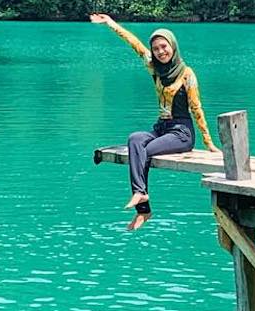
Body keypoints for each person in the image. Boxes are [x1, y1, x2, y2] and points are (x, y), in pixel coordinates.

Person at [91, 13, 219, 230]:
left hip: (181, 133)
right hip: (161, 128)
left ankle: (142, 203)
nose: (160, 52)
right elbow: (136, 45)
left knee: (145, 150)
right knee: (135, 140)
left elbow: (197, 110)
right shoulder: (155, 69)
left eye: (164, 47)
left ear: (173, 46)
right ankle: (142, 202)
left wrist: (209, 144)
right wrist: (111, 23)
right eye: (157, 48)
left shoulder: (187, 75)